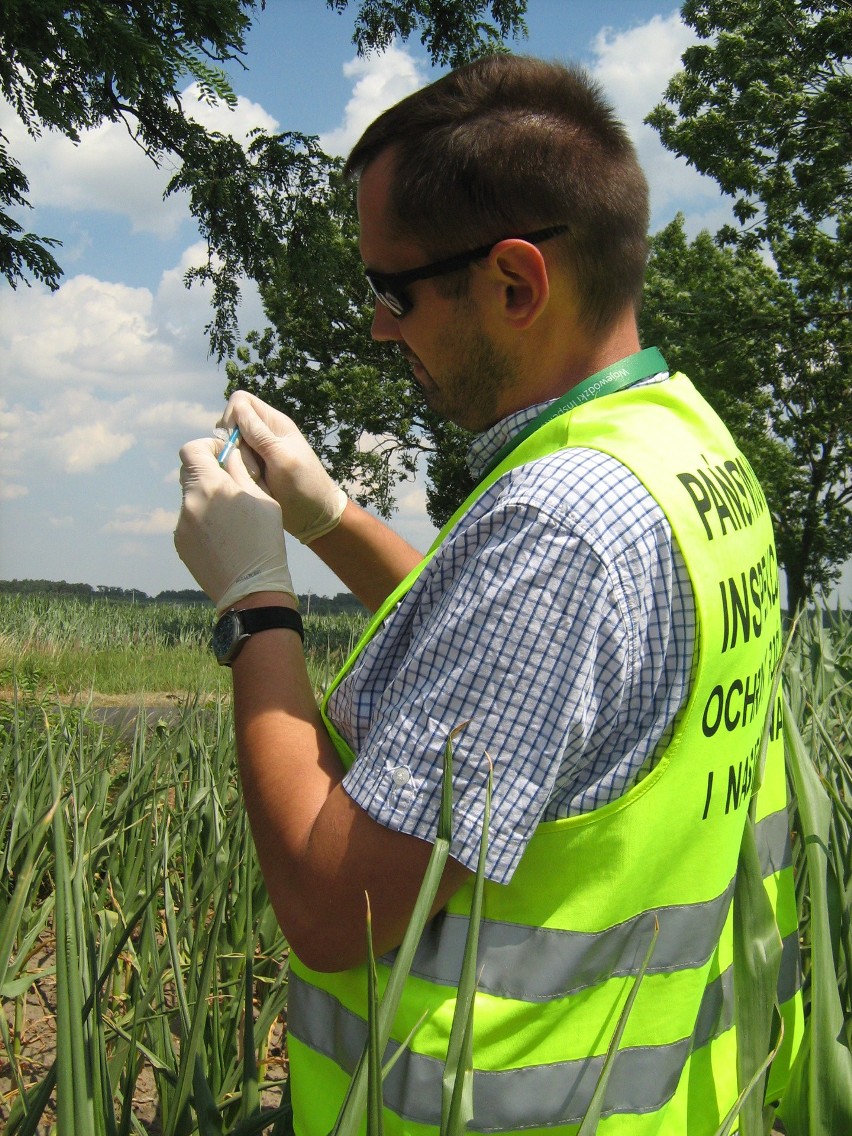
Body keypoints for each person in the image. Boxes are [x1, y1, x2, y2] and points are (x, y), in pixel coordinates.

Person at [175, 54, 802, 1135]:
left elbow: (334, 907)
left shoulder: (558, 528)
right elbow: (516, 683)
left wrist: (256, 599)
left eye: (393, 289)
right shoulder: (681, 443)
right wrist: (327, 518)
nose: (380, 327)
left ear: (515, 282)